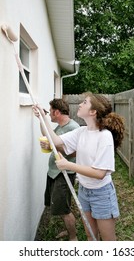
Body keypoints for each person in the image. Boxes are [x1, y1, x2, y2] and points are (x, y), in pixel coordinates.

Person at [33, 93, 125, 241]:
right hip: (84, 191)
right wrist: (43, 118)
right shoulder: (81, 131)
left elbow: (100, 173)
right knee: (90, 235)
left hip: (101, 194)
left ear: (93, 111)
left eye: (84, 102)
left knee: (108, 240)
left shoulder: (104, 136)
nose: (80, 104)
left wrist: (68, 165)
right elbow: (56, 141)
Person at [34, 98, 79, 241]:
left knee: (64, 210)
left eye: (51, 112)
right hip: (54, 172)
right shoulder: (60, 126)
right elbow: (47, 134)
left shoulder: (74, 127)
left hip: (64, 174)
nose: (50, 115)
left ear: (57, 112)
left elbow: (76, 152)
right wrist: (41, 118)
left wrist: (54, 147)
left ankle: (73, 238)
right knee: (61, 207)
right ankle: (69, 230)